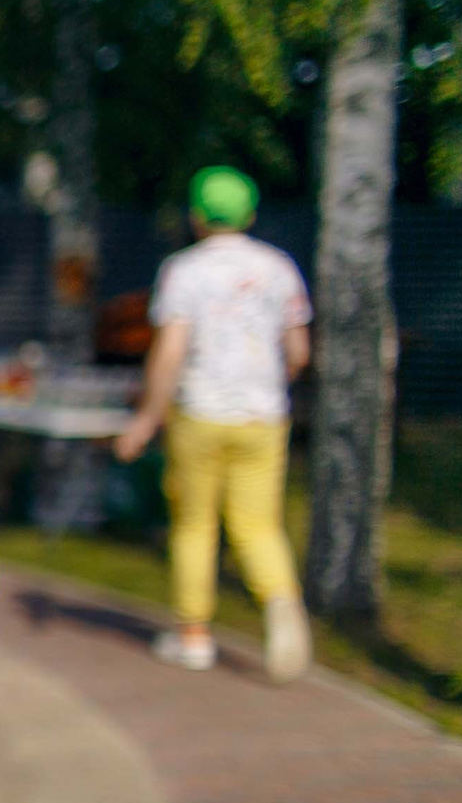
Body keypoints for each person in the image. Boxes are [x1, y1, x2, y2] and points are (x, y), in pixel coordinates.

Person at [112, 166, 314, 681]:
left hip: (201, 412)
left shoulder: (185, 270)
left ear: (197, 215)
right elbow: (298, 351)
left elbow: (172, 351)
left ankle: (194, 637)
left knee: (195, 524)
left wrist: (147, 418)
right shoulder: (280, 268)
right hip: (263, 415)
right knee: (258, 523)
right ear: (249, 213)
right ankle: (281, 604)